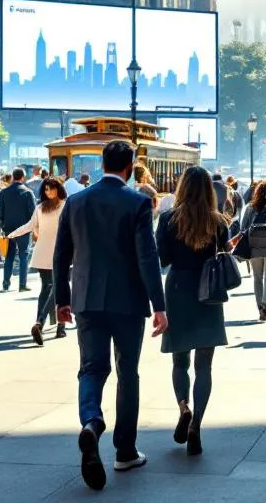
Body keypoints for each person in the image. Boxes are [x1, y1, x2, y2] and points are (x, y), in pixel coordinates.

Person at [54, 140, 168, 490]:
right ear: (130, 167)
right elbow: (147, 257)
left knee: (91, 368)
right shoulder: (137, 203)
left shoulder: (75, 201)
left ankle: (91, 422)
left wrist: (62, 299)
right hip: (128, 301)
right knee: (127, 372)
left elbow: (61, 256)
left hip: (86, 298)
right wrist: (159, 305)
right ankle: (125, 450)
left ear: (102, 163)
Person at [155, 166, 229, 457]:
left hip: (178, 290)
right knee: (205, 367)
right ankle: (196, 423)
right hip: (208, 293)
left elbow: (162, 257)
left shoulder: (168, 219)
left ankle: (183, 406)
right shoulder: (218, 221)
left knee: (179, 361)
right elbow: (224, 254)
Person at [6, 176, 70, 345]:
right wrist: (12, 234)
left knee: (49, 287)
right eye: (46, 189)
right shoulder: (45, 207)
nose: (48, 191)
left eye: (51, 188)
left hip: (51, 252)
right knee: (56, 288)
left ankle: (44, 324)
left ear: (58, 189)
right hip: (55, 252)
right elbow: (29, 226)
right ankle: (49, 324)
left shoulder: (60, 206)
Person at [236, 180, 266, 320]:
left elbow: (243, 229)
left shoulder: (251, 208)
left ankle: (260, 308)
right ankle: (265, 304)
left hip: (254, 248)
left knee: (257, 278)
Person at [0, 167, 37, 293]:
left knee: (9, 255)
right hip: (23, 229)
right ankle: (22, 284)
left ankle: (6, 283)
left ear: (13, 177)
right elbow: (33, 213)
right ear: (23, 177)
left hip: (9, 229)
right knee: (24, 256)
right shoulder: (28, 192)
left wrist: (3, 225)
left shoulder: (4, 192)